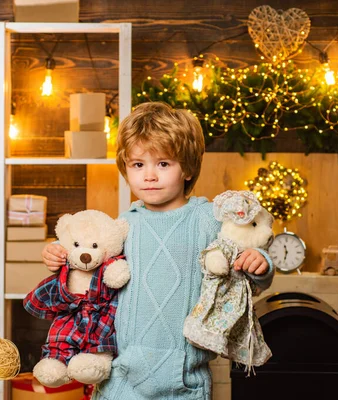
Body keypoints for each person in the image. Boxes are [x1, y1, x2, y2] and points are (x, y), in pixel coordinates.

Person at [42, 102, 274, 399]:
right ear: (126, 169)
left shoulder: (208, 219)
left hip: (186, 380)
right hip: (121, 378)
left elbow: (247, 270)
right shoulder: (123, 224)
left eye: (163, 164)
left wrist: (260, 263)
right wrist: (57, 257)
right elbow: (85, 261)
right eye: (138, 165)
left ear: (187, 168)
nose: (149, 176)